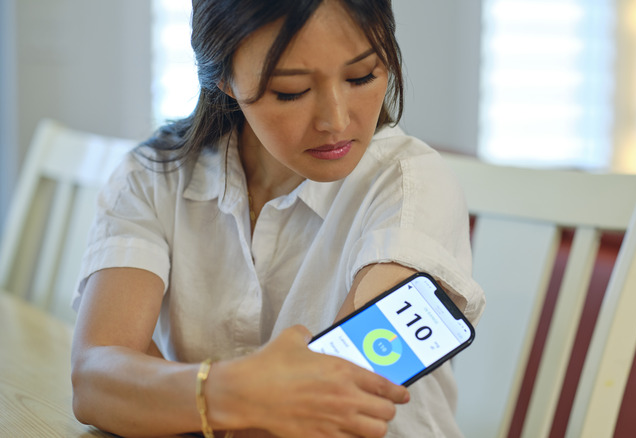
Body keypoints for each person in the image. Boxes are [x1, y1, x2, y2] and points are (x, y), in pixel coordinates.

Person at [70, 0, 485, 437]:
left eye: (361, 76)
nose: (336, 120)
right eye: (291, 90)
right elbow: (94, 382)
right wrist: (238, 392)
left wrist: (180, 398)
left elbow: (326, 410)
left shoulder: (411, 185)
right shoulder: (154, 178)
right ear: (224, 77)